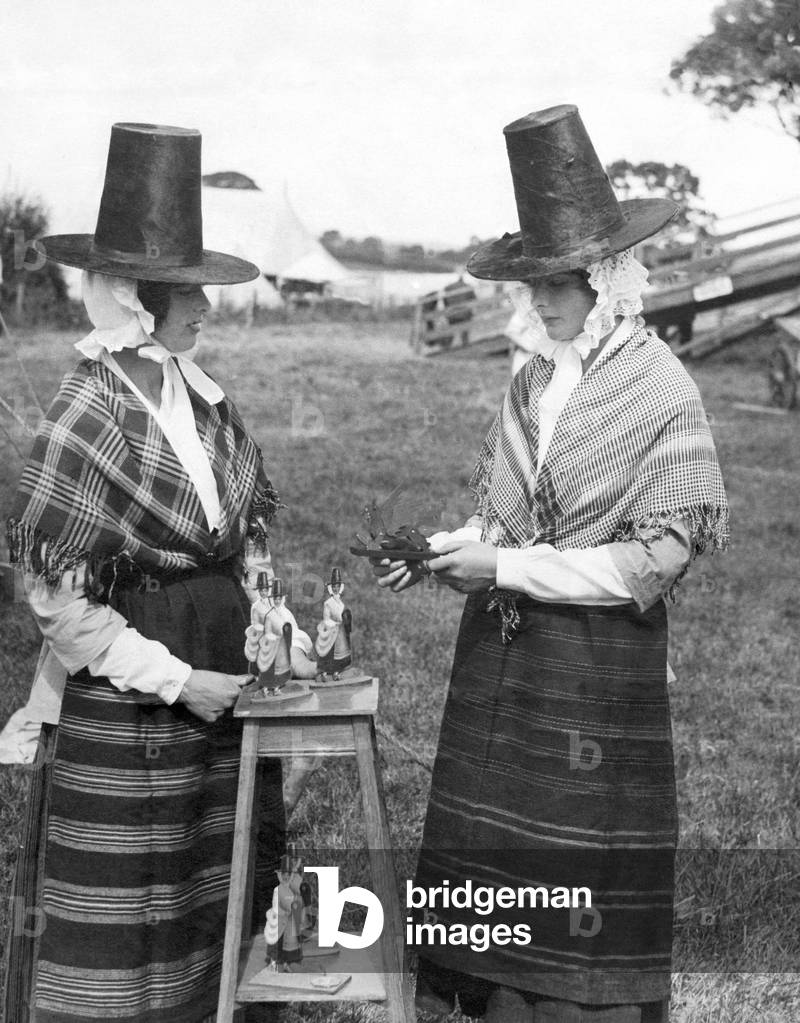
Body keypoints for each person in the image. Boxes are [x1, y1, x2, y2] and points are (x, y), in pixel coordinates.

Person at [372, 106, 728, 1023]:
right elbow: (501, 515)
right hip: (503, 665)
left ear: (611, 276)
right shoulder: (532, 378)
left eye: (562, 281)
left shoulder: (661, 388)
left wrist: (509, 567)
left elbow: (656, 561)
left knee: (581, 874)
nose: (545, 302)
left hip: (595, 675)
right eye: (536, 284)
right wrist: (445, 552)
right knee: (499, 869)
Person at [2, 122, 314, 1023]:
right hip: (134, 704)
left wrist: (275, 630)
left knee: (215, 889)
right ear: (137, 297)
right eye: (187, 292)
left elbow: (246, 544)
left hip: (224, 685)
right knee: (133, 912)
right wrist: (181, 681)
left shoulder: (203, 399)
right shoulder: (84, 409)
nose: (204, 309)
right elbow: (61, 607)